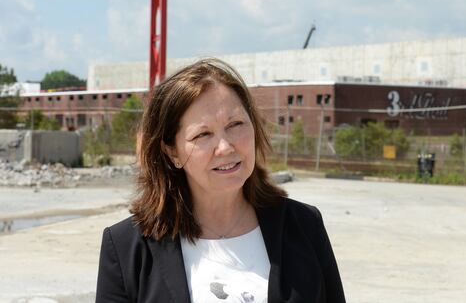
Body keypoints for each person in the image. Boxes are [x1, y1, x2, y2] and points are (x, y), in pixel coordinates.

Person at [96, 58, 345, 303]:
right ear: (172, 152)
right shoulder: (125, 248)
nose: (225, 147)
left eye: (235, 124)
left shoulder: (305, 225)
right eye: (203, 134)